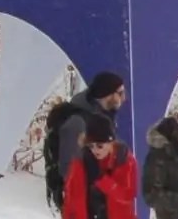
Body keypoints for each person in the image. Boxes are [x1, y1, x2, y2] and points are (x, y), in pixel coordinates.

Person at [45, 71, 127, 211]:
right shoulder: (78, 122)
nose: (123, 98)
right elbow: (69, 168)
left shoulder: (102, 117)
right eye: (119, 93)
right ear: (107, 94)